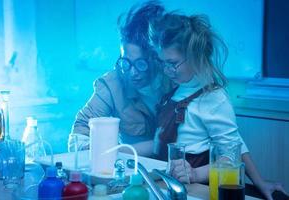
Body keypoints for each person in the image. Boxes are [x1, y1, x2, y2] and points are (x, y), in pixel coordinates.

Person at [149, 12, 287, 199]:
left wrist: (195, 173)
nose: (167, 70)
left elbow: (231, 154)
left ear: (195, 56)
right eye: (163, 63)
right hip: (168, 181)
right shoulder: (178, 87)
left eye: (172, 63)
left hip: (197, 187)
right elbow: (236, 140)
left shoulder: (214, 98)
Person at [68, 1, 172, 155]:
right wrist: (87, 148)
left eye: (141, 64)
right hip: (132, 171)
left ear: (157, 58)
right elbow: (81, 128)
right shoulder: (112, 84)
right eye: (126, 62)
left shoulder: (175, 79)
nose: (132, 72)